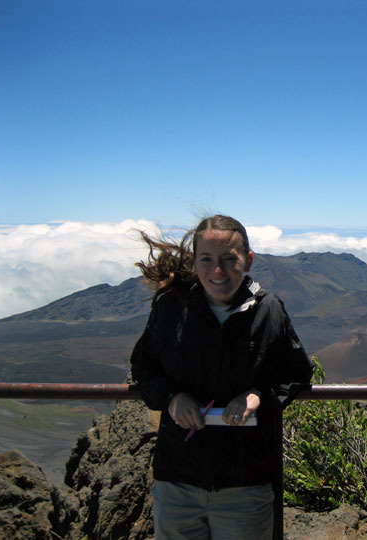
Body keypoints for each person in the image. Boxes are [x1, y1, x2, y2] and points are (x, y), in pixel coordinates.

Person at [130, 215, 313, 540]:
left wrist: (258, 396)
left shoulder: (267, 311)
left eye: (230, 259)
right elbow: (144, 368)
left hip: (245, 483)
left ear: (248, 260)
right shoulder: (172, 308)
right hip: (177, 481)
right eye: (207, 260)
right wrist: (172, 399)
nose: (218, 271)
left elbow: (295, 371)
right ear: (195, 261)